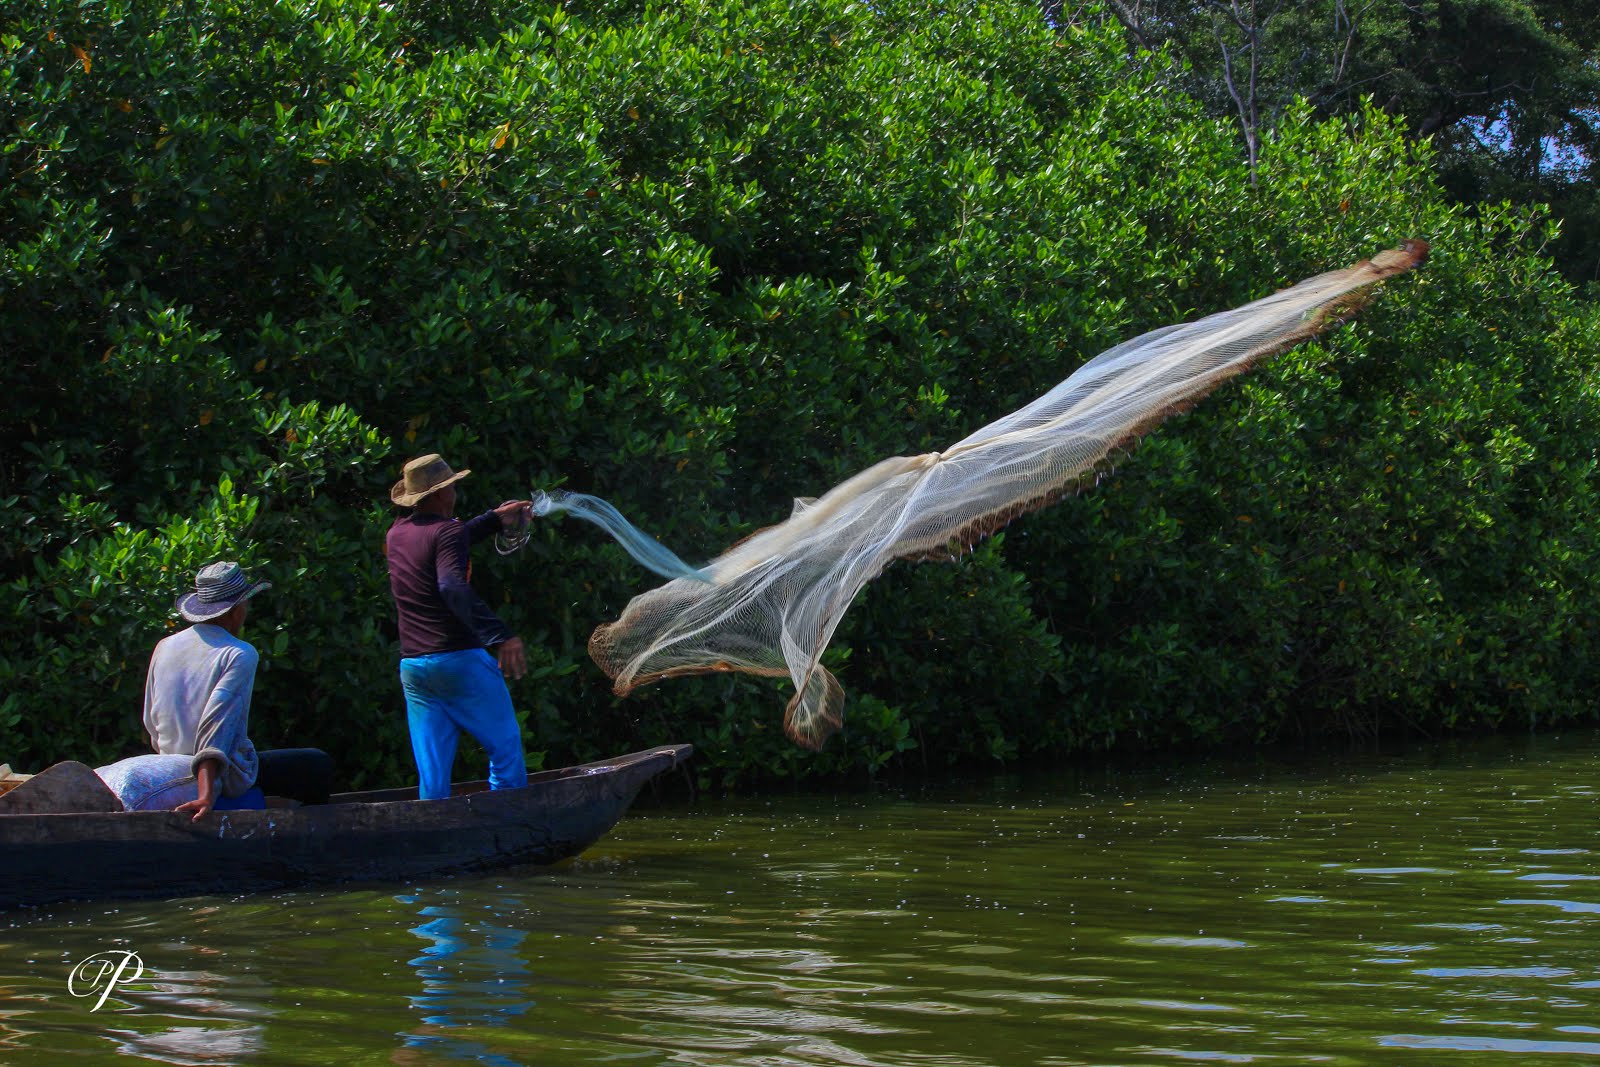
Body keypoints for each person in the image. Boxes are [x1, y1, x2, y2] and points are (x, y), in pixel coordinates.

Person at [129, 560, 334, 819]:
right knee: (316, 764)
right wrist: (205, 793)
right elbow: (216, 726)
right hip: (216, 772)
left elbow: (151, 721)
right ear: (236, 610)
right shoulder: (239, 653)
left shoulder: (164, 646)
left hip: (171, 765)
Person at [384, 454, 533, 800]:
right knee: (505, 748)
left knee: (432, 774)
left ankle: (432, 831)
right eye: (450, 487)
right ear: (439, 495)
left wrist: (493, 520)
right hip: (457, 660)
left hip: (414, 668)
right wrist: (501, 635)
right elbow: (451, 584)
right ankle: (508, 822)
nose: (454, 493)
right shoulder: (447, 530)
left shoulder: (396, 534)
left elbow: (444, 541)